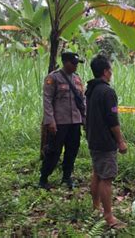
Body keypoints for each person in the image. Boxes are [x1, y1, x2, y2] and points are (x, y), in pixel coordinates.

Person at [85, 54, 128, 228]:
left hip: (93, 138)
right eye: (110, 69)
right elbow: (112, 120)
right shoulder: (108, 92)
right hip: (104, 141)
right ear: (105, 71)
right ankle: (109, 217)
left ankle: (96, 207)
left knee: (97, 172)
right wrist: (121, 141)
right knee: (107, 178)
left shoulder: (91, 89)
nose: (111, 73)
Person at [39, 52, 85, 190]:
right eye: (73, 63)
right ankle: (44, 178)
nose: (76, 66)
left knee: (72, 150)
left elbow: (82, 100)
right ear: (65, 62)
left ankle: (67, 177)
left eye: (77, 63)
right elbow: (47, 100)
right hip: (59, 122)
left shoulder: (77, 79)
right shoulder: (53, 78)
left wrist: (84, 118)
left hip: (74, 122)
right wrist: (50, 121)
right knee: (53, 151)